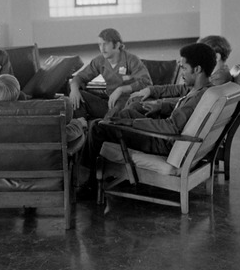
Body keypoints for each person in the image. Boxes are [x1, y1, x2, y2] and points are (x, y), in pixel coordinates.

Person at [76, 42, 218, 199]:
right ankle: (102, 162)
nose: (182, 73)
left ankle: (87, 183)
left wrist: (130, 124)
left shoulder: (197, 98)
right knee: (129, 112)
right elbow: (181, 109)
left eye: (184, 68)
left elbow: (171, 127)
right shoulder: (204, 91)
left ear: (197, 69)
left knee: (98, 126)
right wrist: (161, 106)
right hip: (170, 140)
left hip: (163, 142)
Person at [0, 74, 87, 153]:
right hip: (40, 172)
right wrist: (78, 123)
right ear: (19, 97)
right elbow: (66, 134)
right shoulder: (38, 118)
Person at [122, 34, 234, 118]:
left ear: (216, 56)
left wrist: (160, 103)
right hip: (176, 112)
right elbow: (182, 90)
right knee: (137, 100)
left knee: (134, 106)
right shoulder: (213, 75)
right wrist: (151, 90)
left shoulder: (218, 81)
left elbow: (189, 104)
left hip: (176, 117)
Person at [68, 28, 152, 119]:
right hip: (110, 103)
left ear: (117, 45)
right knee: (77, 98)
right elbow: (80, 77)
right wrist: (74, 90)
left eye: (106, 44)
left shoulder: (131, 60)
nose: (102, 48)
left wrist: (121, 89)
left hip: (128, 103)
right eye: (100, 44)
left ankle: (106, 123)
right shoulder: (99, 61)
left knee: (116, 112)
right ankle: (81, 127)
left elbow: (146, 82)